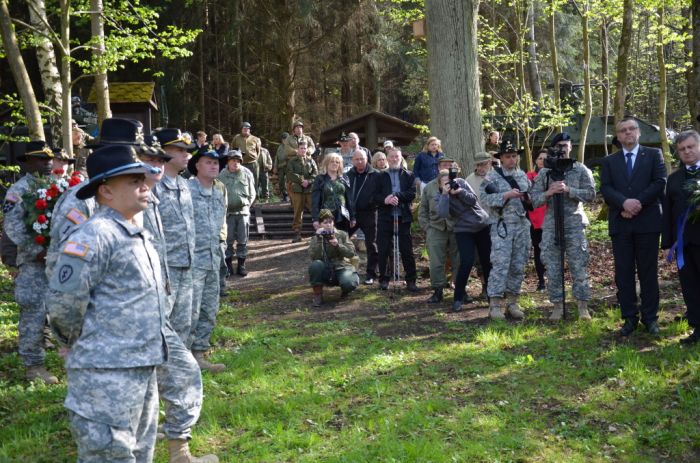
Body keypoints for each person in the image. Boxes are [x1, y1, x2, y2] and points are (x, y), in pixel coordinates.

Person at [46, 145, 167, 461]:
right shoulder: (93, 235)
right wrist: (73, 342)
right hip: (105, 375)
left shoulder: (133, 233)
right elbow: (63, 302)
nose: (144, 185)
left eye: (143, 178)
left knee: (139, 454)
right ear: (106, 191)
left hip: (140, 367)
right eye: (132, 181)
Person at [136, 141, 220, 463]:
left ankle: (173, 444)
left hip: (168, 280)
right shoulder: (120, 203)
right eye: (150, 159)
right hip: (138, 307)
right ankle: (172, 444)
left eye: (160, 159)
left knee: (178, 353)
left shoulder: (170, 190)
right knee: (173, 368)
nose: (157, 165)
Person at [600, 117, 667, 336]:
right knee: (624, 272)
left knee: (648, 272)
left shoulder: (654, 154)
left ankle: (650, 318)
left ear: (638, 132)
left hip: (647, 222)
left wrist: (637, 202)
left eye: (631, 129)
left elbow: (659, 182)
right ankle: (629, 318)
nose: (628, 133)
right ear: (618, 136)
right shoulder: (610, 161)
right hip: (621, 223)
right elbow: (606, 188)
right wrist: (623, 203)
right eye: (623, 130)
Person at [3, 140, 58, 384]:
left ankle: (70, 356)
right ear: (28, 163)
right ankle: (34, 366)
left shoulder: (57, 186)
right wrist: (37, 249)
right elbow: (13, 226)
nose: (47, 163)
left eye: (49, 159)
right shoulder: (18, 190)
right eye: (40, 159)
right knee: (34, 311)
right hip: (34, 262)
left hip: (59, 261)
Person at [531, 133, 596, 320]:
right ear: (553, 148)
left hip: (574, 224)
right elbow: (533, 200)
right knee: (552, 267)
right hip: (552, 226)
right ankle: (557, 306)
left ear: (570, 147)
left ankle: (583, 306)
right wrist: (549, 192)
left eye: (566, 145)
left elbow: (592, 194)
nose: (562, 149)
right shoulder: (545, 173)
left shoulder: (580, 169)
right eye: (559, 146)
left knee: (579, 265)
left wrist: (570, 190)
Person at [152, 128, 197, 345]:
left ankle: (181, 370)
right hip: (165, 266)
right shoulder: (153, 187)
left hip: (186, 263)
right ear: (162, 153)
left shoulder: (184, 185)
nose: (186, 155)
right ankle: (161, 372)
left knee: (183, 321)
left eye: (187, 150)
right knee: (162, 320)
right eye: (179, 150)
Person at [480, 140, 531, 320]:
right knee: (500, 265)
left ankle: (512, 302)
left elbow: (530, 197)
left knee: (518, 264)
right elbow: (484, 198)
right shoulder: (492, 176)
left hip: (522, 225)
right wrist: (505, 195)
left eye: (514, 156)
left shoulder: (523, 175)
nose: (511, 159)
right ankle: (494, 305)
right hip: (502, 226)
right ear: (501, 158)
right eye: (508, 156)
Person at [188, 149, 228, 374]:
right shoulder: (186, 190)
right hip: (192, 262)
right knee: (189, 311)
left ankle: (199, 354)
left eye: (216, 163)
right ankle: (182, 357)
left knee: (209, 309)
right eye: (209, 162)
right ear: (197, 166)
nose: (214, 166)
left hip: (213, 259)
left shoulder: (218, 192)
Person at [662, 130, 700, 344]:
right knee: (690, 287)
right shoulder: (674, 179)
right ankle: (697, 328)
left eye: (691, 147)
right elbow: (667, 212)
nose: (687, 152)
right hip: (684, 243)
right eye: (682, 149)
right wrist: (666, 243)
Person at [437, 168, 491, 312]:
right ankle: (458, 298)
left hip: (482, 225)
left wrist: (460, 192)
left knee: (487, 261)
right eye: (444, 183)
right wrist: (445, 194)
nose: (448, 185)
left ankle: (493, 296)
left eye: (449, 181)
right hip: (463, 229)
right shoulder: (441, 195)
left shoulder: (461, 183)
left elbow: (473, 200)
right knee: (466, 262)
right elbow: (442, 213)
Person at [418, 158, 460, 303]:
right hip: (435, 228)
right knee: (436, 262)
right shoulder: (429, 187)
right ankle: (437, 291)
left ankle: (460, 291)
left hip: (455, 227)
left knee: (458, 260)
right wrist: (427, 227)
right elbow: (422, 209)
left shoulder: (458, 184)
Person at [376, 149, 418, 291]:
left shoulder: (409, 175)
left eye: (397, 157)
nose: (394, 159)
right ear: (387, 158)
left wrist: (397, 196)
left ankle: (411, 280)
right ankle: (384, 278)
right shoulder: (380, 176)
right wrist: (385, 199)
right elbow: (374, 196)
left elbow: (412, 194)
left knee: (406, 249)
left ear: (401, 158)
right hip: (385, 216)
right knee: (384, 249)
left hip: (403, 216)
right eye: (392, 157)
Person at [308, 209, 359, 307]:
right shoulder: (316, 238)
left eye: (330, 222)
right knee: (315, 265)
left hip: (341, 267)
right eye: (325, 222)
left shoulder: (342, 234)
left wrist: (338, 245)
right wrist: (319, 239)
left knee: (349, 282)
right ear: (320, 224)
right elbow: (314, 256)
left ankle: (346, 290)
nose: (328, 225)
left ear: (333, 222)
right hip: (325, 268)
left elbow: (351, 253)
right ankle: (318, 295)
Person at [219, 150, 256, 277]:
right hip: (227, 213)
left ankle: (241, 265)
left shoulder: (247, 174)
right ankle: (228, 266)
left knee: (242, 240)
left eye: (238, 161)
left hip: (243, 213)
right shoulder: (221, 175)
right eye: (233, 160)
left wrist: (247, 206)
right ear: (228, 162)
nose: (236, 163)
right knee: (227, 240)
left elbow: (252, 193)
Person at [347, 149, 381, 285]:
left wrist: (372, 202)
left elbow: (380, 193)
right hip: (352, 214)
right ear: (352, 161)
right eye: (357, 159)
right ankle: (343, 271)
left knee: (371, 244)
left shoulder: (376, 175)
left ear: (367, 159)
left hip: (370, 213)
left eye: (362, 159)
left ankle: (371, 273)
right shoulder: (347, 175)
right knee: (341, 239)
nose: (360, 162)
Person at [287, 140, 318, 243]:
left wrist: (308, 181)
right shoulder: (292, 161)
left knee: (314, 210)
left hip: (309, 190)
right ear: (298, 149)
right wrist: (301, 181)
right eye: (301, 148)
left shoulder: (311, 161)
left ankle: (318, 232)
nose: (303, 150)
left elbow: (315, 175)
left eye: (305, 148)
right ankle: (297, 233)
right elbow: (290, 174)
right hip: (297, 190)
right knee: (297, 212)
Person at [311, 152, 351, 232]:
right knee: (328, 240)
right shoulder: (319, 179)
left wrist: (352, 216)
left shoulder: (344, 178)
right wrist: (315, 219)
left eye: (337, 162)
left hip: (343, 215)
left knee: (342, 240)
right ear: (326, 163)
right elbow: (315, 200)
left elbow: (349, 198)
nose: (334, 164)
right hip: (326, 215)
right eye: (332, 161)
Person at [527, 149, 548, 291]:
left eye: (545, 158)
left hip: (550, 218)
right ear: (535, 160)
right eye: (540, 158)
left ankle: (553, 279)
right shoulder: (529, 176)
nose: (542, 160)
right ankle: (541, 281)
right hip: (534, 220)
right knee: (538, 250)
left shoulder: (553, 176)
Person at [231, 122, 262, 188]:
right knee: (241, 180)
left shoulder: (255, 139)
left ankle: (254, 197)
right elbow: (233, 150)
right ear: (241, 129)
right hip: (241, 163)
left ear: (249, 130)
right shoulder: (236, 138)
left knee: (254, 180)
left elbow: (258, 151)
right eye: (244, 129)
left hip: (253, 163)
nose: (246, 130)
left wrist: (255, 159)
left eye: (247, 129)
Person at [274, 132, 290, 202]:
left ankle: (290, 196)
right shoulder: (280, 147)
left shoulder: (291, 146)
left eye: (286, 139)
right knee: (281, 182)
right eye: (283, 139)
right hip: (280, 167)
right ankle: (284, 195)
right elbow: (276, 157)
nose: (284, 140)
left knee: (289, 181)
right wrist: (275, 167)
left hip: (288, 167)